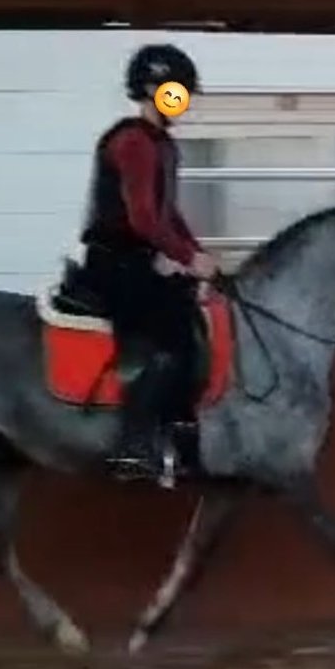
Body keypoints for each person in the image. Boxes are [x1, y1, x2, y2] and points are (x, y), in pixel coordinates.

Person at [77, 43, 219, 482]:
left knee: (193, 322)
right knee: (173, 335)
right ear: (155, 90)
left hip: (138, 260)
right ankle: (134, 443)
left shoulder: (163, 145)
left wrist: (198, 254)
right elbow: (141, 219)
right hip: (115, 263)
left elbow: (167, 213)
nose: (184, 100)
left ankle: (176, 430)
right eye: (178, 91)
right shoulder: (133, 142)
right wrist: (185, 257)